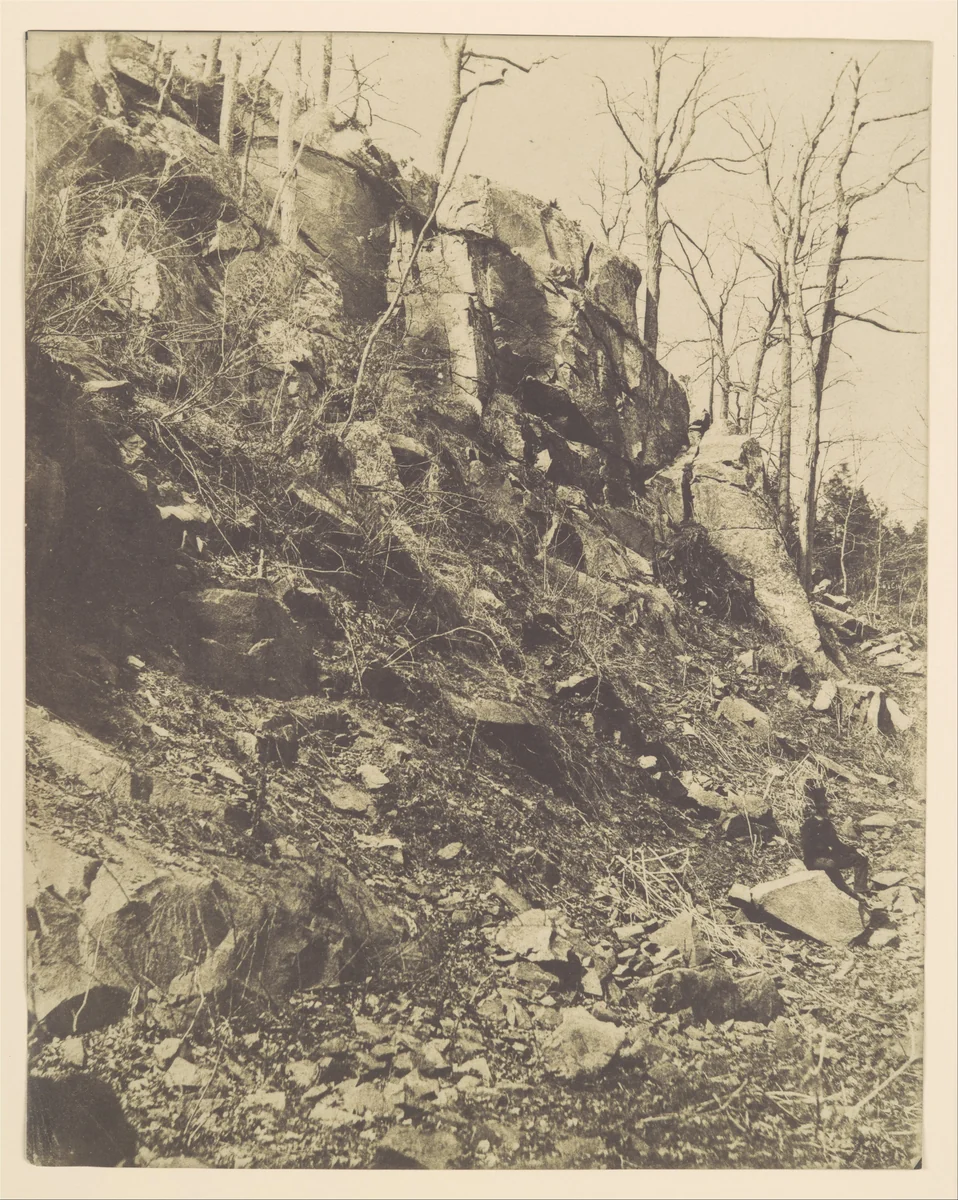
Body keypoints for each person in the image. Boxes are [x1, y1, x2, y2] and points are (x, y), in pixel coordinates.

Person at [799, 779, 870, 898]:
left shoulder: (827, 824)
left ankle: (861, 890)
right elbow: (807, 848)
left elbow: (837, 845)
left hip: (828, 856)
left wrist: (854, 850)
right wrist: (821, 849)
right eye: (825, 808)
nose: (828, 811)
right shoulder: (809, 825)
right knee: (830, 864)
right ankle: (845, 891)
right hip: (814, 860)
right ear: (819, 810)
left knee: (860, 859)